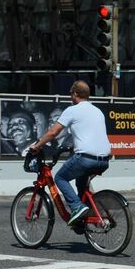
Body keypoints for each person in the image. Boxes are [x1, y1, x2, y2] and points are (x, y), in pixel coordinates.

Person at [27, 81, 112, 230]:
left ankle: (77, 208)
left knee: (60, 178)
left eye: (71, 94)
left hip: (86, 159)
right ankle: (86, 219)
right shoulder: (97, 111)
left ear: (75, 94)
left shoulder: (72, 110)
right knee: (81, 185)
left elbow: (53, 132)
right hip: (104, 160)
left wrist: (37, 145)